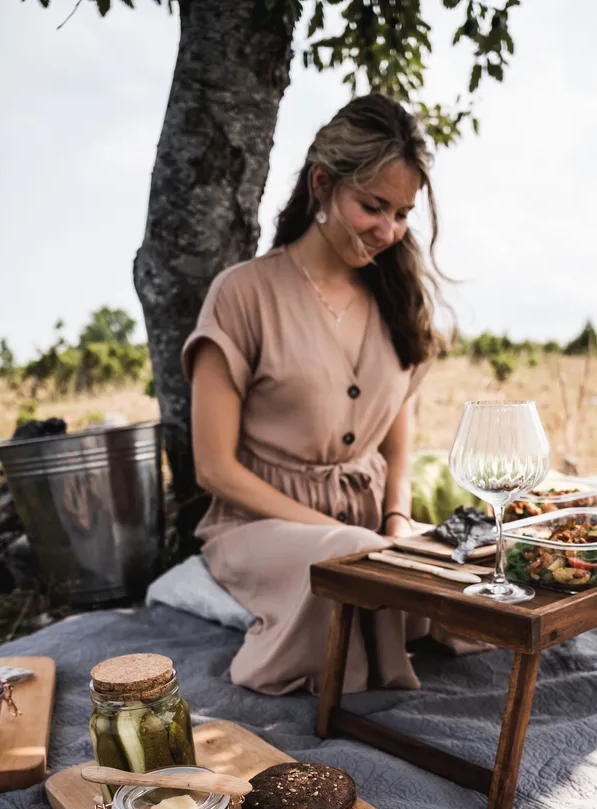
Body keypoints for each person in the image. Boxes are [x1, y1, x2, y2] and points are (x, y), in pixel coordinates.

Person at [183, 93, 444, 696]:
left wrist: (398, 525)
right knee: (350, 561)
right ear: (323, 185)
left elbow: (397, 448)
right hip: (258, 525)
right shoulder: (242, 294)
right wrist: (356, 541)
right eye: (373, 207)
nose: (389, 231)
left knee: (487, 558)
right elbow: (213, 468)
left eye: (403, 213)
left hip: (372, 525)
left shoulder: (396, 298)